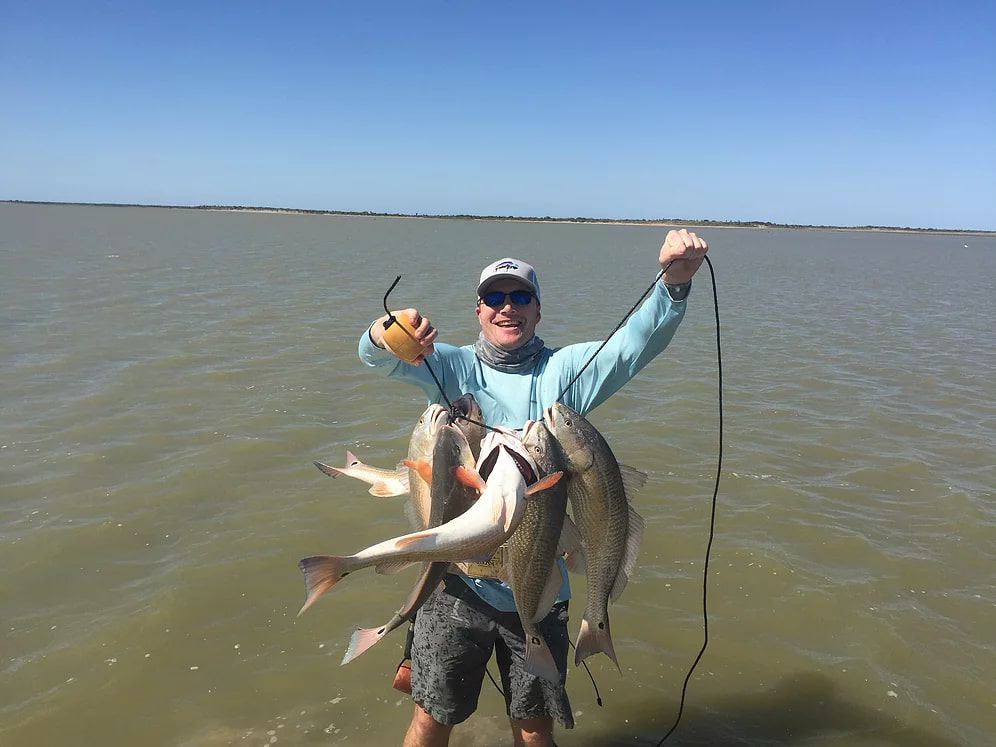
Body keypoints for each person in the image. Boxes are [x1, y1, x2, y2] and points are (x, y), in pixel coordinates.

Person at [359, 228, 708, 747]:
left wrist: (674, 281)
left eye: (520, 296)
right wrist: (386, 330)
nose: (507, 307)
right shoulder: (448, 367)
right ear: (477, 310)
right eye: (494, 298)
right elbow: (377, 358)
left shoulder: (566, 371)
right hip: (455, 582)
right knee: (432, 718)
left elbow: (633, 345)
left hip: (542, 588)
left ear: (537, 310)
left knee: (534, 726)